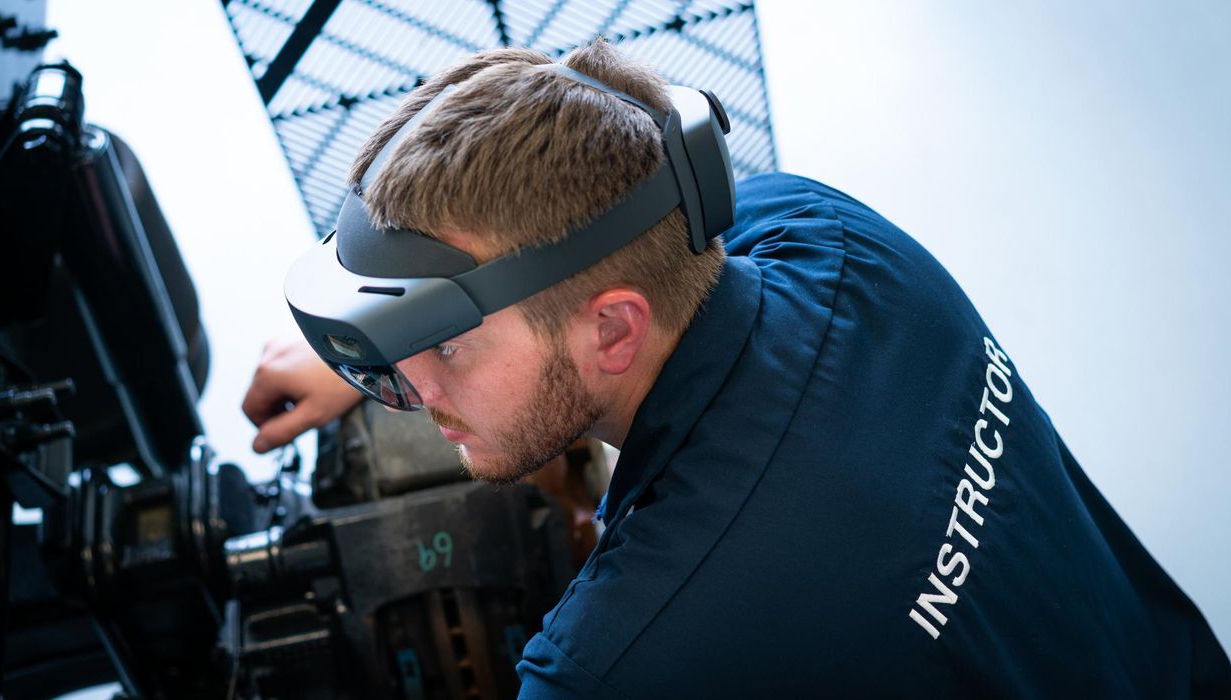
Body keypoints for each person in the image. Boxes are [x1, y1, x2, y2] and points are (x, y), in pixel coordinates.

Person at [243, 40, 1230, 697]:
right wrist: (386, 346)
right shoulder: (828, 229)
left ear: (613, 331)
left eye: (446, 346)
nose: (414, 391)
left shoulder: (615, 661)